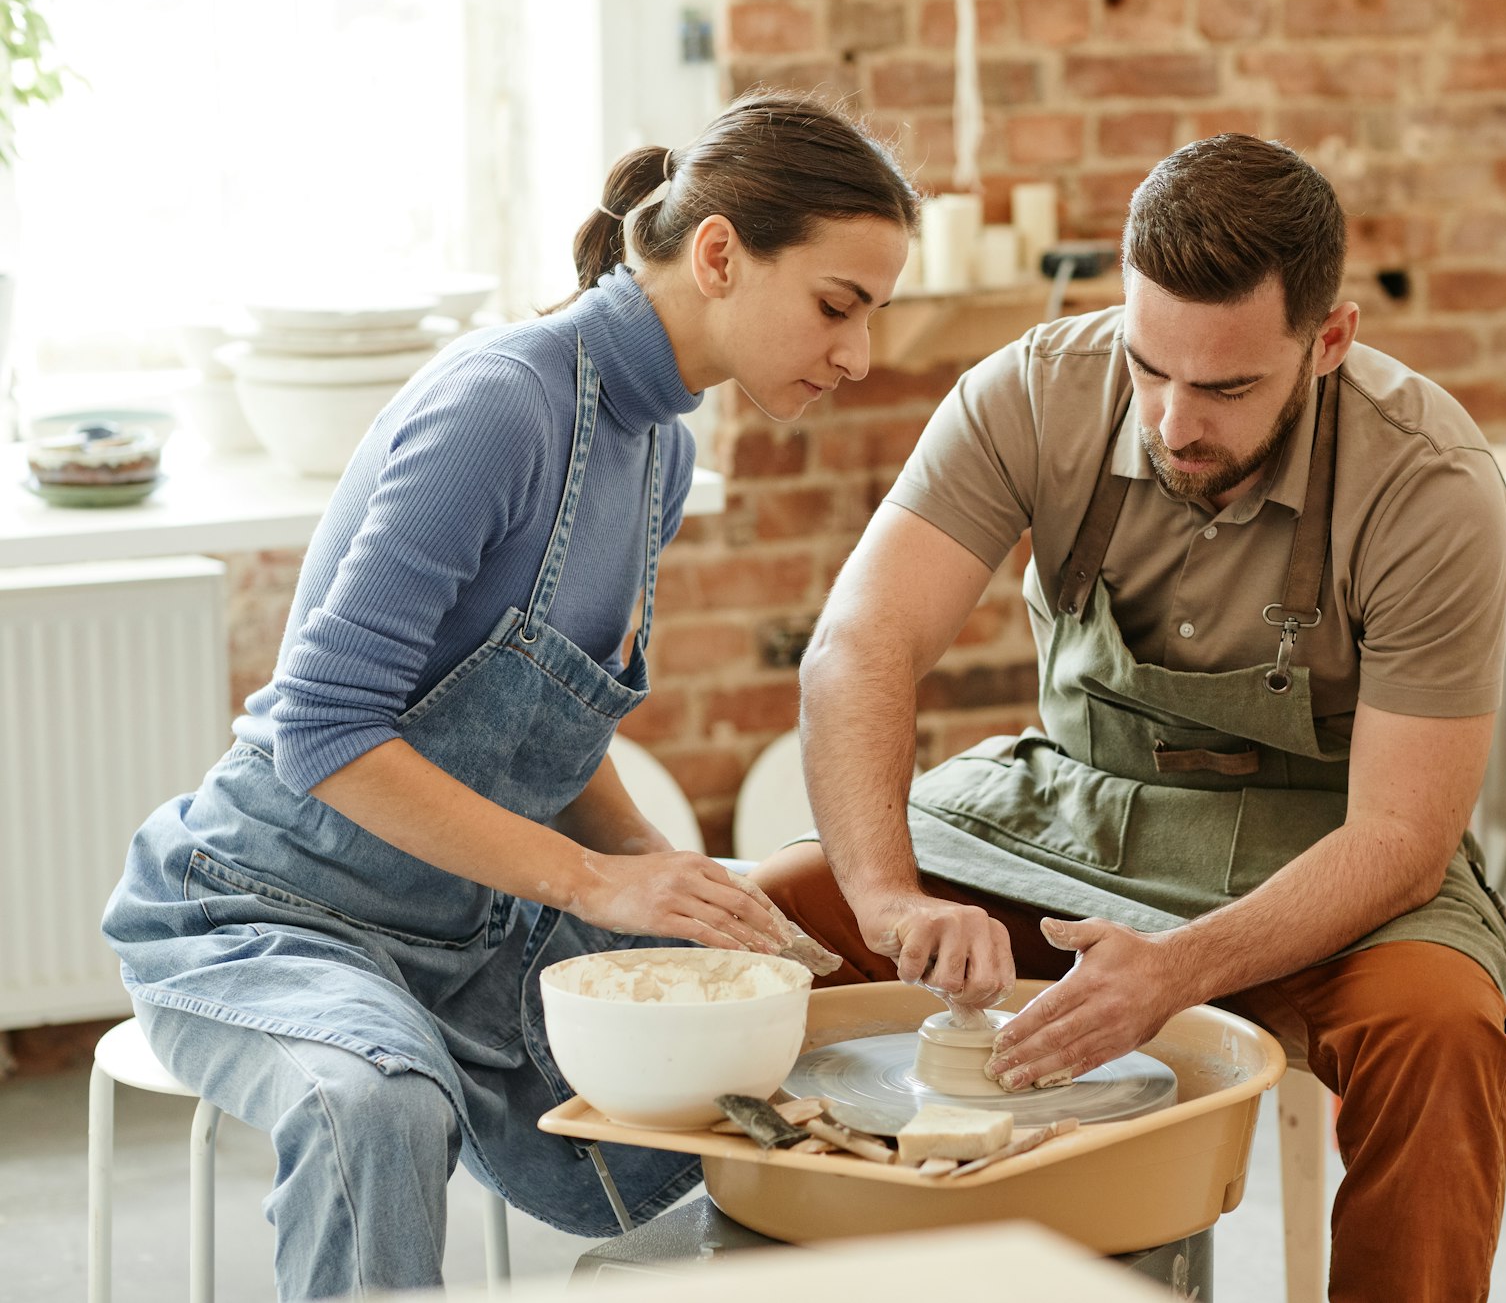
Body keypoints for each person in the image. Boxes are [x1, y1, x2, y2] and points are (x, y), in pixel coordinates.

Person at [101, 92, 917, 1299]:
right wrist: (597, 882)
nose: (859, 354)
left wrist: (669, 879)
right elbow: (325, 730)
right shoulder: (502, 405)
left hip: (472, 925)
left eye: (874, 314)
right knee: (373, 1104)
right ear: (717, 253)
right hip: (266, 911)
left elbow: (534, 715)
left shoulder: (658, 444)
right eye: (837, 306)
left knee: (783, 1038)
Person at [753, 134, 1506, 1301]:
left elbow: (1400, 840)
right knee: (770, 929)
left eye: (1224, 387)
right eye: (1149, 366)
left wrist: (1172, 972)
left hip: (1322, 851)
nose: (1170, 421)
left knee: (1444, 1033)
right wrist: (886, 896)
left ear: (1328, 342)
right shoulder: (1030, 390)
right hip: (1067, 813)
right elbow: (860, 645)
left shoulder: (1427, 483)